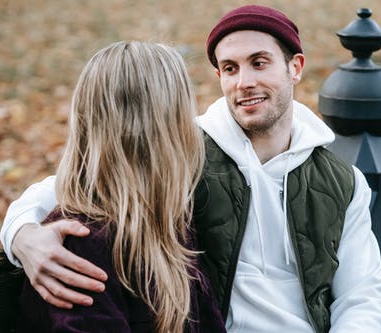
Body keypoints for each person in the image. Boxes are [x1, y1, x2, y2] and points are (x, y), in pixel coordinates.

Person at [1, 5, 381, 333]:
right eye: (230, 68)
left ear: (295, 67)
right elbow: (85, 183)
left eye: (259, 63)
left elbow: (363, 295)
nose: (245, 82)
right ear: (218, 76)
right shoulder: (183, 153)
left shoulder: (342, 181)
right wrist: (22, 234)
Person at [15, 40, 225, 333]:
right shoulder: (80, 247)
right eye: (184, 112)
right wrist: (20, 231)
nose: (193, 126)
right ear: (161, 128)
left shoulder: (169, 218)